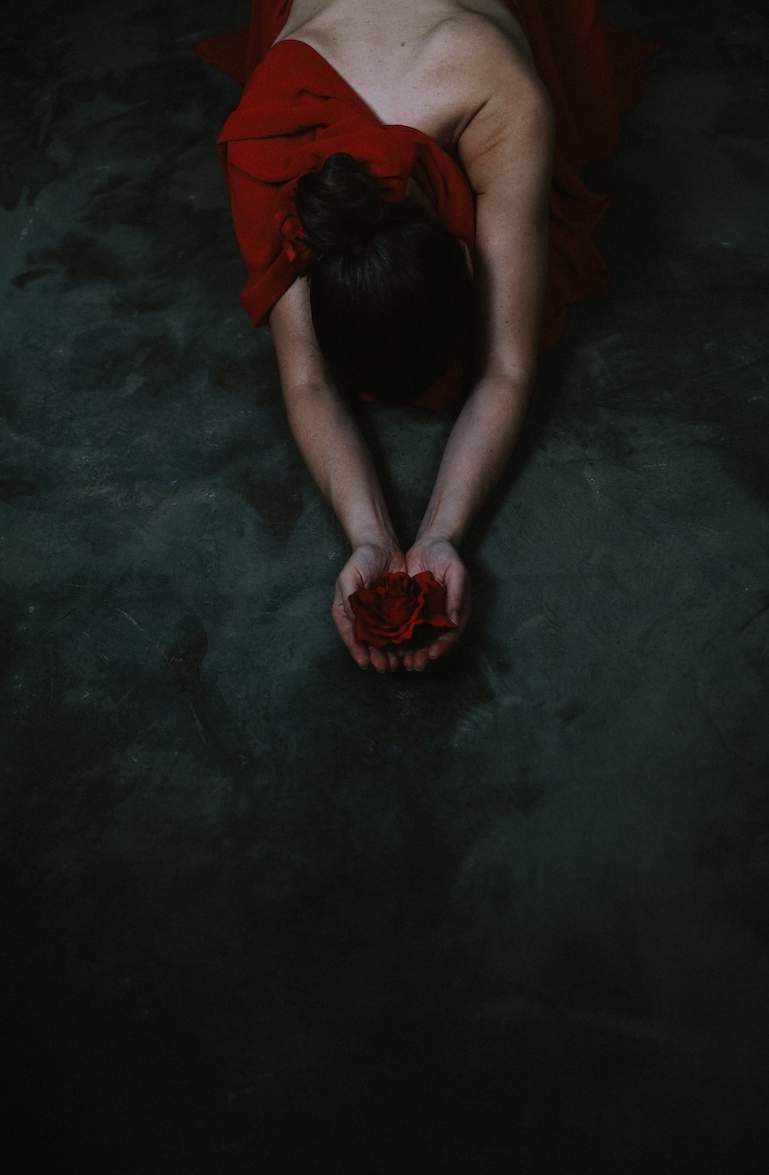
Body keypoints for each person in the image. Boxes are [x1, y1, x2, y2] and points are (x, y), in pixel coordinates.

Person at [197, 0, 657, 673]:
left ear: (466, 252)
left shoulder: (501, 97)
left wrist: (444, 531)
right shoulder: (266, 138)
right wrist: (369, 539)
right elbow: (307, 379)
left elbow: (505, 367)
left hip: (463, 44)